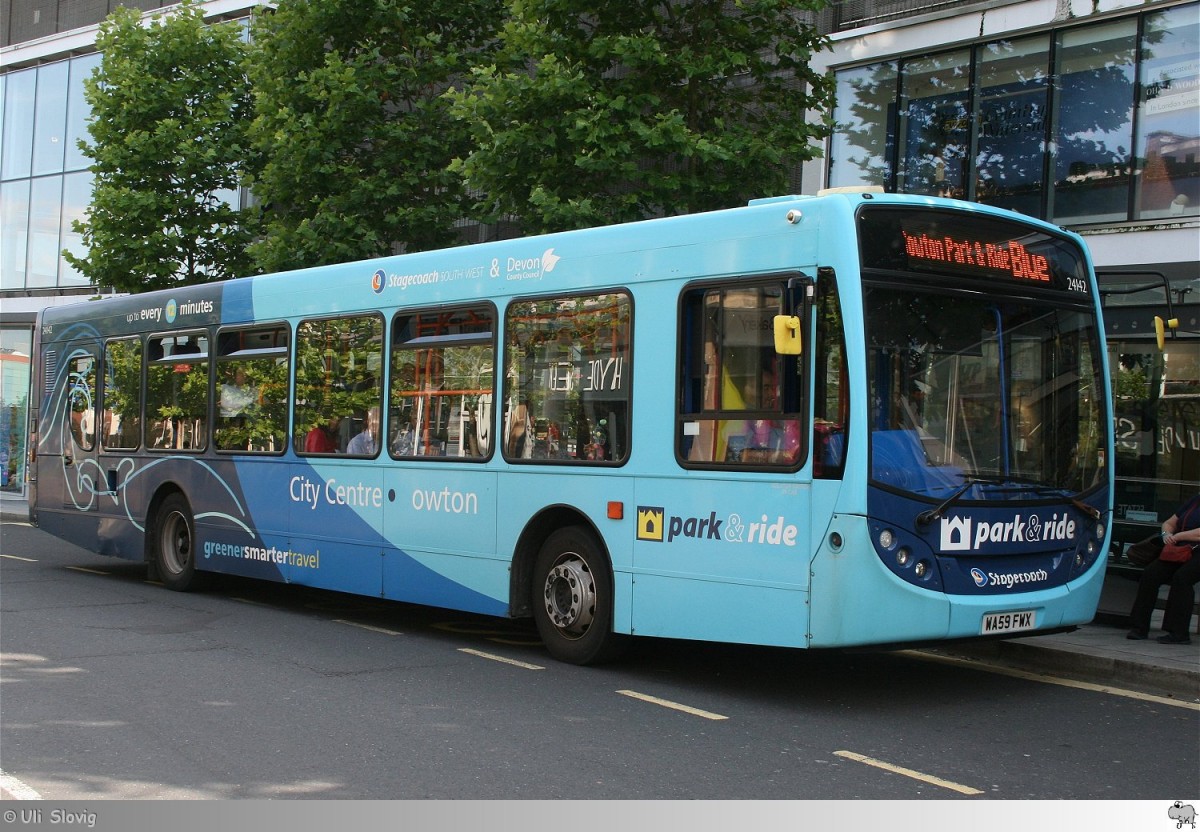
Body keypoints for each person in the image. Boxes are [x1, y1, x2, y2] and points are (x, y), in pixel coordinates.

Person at [1127, 493, 1200, 644]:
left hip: (1196, 550)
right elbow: (1169, 523)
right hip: (1180, 549)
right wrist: (1167, 534)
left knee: (1182, 578)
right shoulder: (1195, 500)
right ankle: (1139, 627)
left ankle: (1179, 633)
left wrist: (1179, 536)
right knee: (1150, 574)